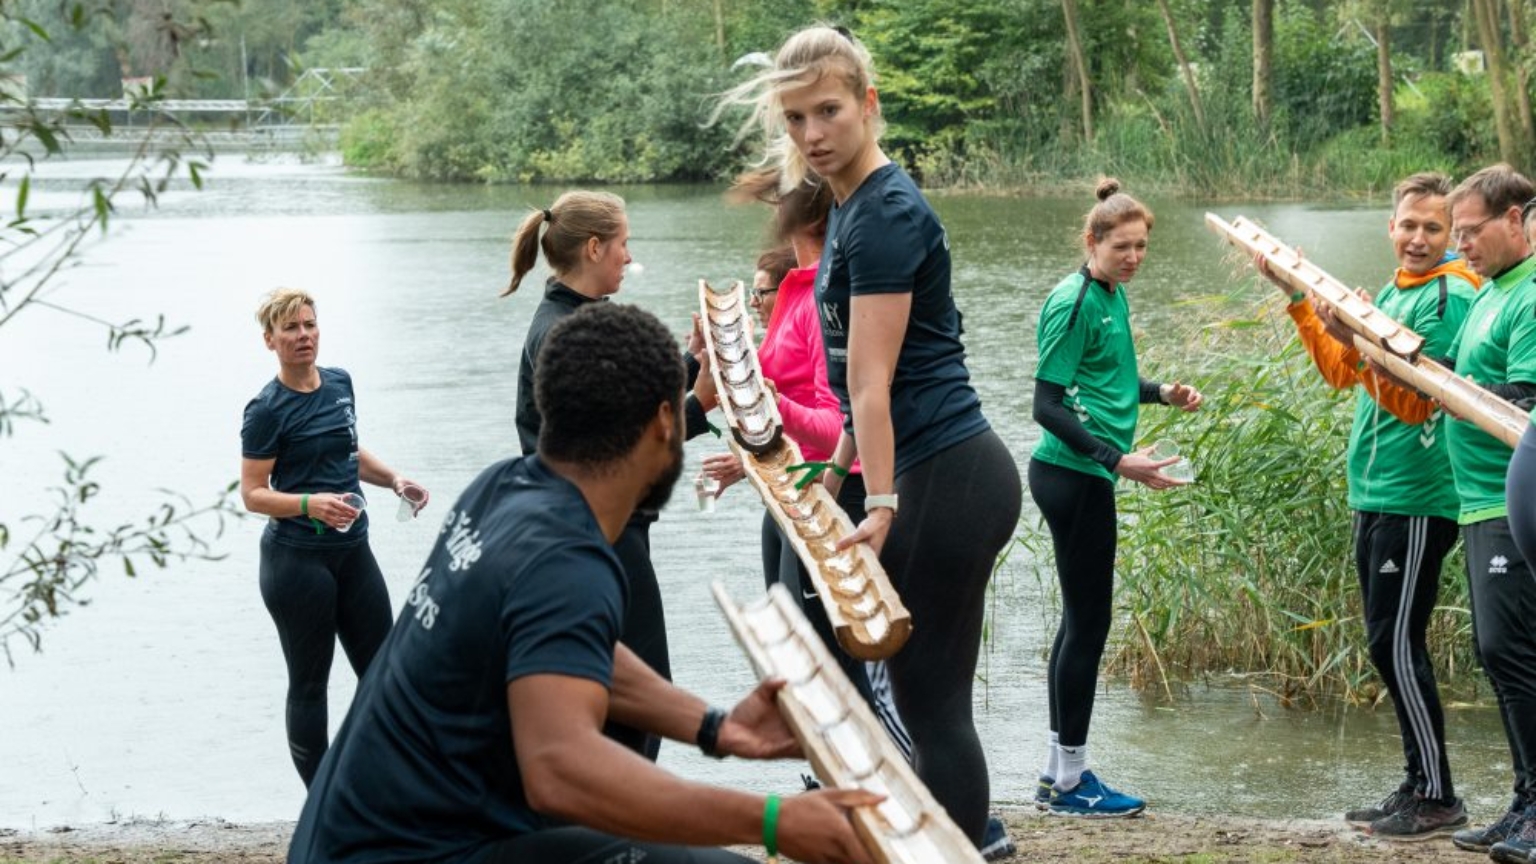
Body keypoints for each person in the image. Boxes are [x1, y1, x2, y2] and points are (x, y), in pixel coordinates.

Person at [287, 303, 878, 864]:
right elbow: (561, 770)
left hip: (342, 841)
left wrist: (717, 727)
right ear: (665, 422)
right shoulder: (568, 558)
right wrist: (774, 820)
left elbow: (572, 648)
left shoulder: (502, 487)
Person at [715, 24, 1023, 847]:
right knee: (908, 691)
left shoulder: (883, 211)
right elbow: (860, 392)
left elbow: (870, 380)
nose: (813, 135)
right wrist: (836, 471)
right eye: (794, 120)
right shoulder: (852, 206)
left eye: (828, 112)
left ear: (868, 105)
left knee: (932, 701)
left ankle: (958, 846)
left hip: (947, 473)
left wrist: (877, 500)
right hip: (926, 467)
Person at [1258, 172, 1477, 839]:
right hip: (1375, 492)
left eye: (1433, 229)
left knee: (1395, 642)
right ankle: (1419, 782)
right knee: (1387, 643)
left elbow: (1417, 403)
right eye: (1408, 225)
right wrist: (1304, 302)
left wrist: (1358, 340)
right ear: (1391, 227)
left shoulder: (1448, 298)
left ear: (1452, 236)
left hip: (1419, 495)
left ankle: (1439, 795)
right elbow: (1341, 373)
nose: (1417, 238)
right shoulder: (1392, 292)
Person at [503, 189, 708, 761]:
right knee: (639, 696)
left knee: (633, 691)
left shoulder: (581, 319)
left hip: (600, 530)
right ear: (594, 248)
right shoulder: (565, 334)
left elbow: (629, 405)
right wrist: (701, 406)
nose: (628, 255)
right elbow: (616, 451)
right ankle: (618, 831)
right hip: (598, 535)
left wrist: (689, 364)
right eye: (623, 244)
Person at [1029, 179, 1205, 818]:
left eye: (1141, 247)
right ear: (1092, 242)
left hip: (1085, 476)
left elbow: (1104, 378)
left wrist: (1160, 393)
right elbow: (1046, 404)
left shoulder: (1110, 295)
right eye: (1121, 246)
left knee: (1077, 625)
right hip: (1072, 477)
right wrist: (1116, 458)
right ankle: (1073, 782)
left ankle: (1056, 773)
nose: (1133, 257)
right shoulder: (1074, 301)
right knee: (1089, 627)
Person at [239, 287, 430, 787]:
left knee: (384, 678)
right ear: (270, 340)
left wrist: (393, 480)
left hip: (353, 553)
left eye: (309, 325)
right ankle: (322, 805)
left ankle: (384, 791)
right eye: (291, 329)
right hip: (296, 564)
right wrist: (308, 502)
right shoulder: (265, 410)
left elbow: (347, 450)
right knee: (309, 685)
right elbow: (254, 494)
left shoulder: (340, 383)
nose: (303, 336)